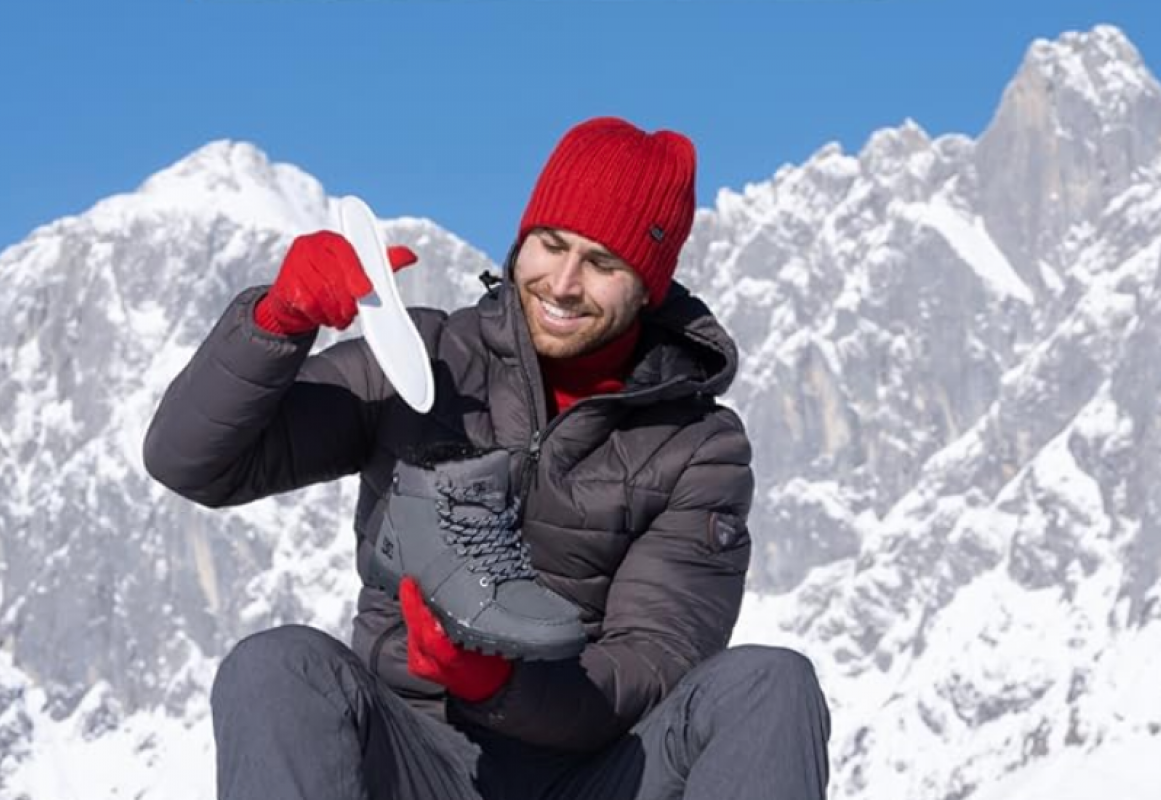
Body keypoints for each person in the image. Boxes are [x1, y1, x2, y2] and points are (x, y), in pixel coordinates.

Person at [144, 116, 830, 800]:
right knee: (276, 667)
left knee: (771, 682)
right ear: (521, 240)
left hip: (593, 773)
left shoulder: (697, 447)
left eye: (601, 264)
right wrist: (275, 325)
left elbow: (652, 665)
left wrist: (500, 683)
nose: (562, 283)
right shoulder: (424, 360)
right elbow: (193, 462)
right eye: (550, 245)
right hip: (416, 757)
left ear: (647, 284)